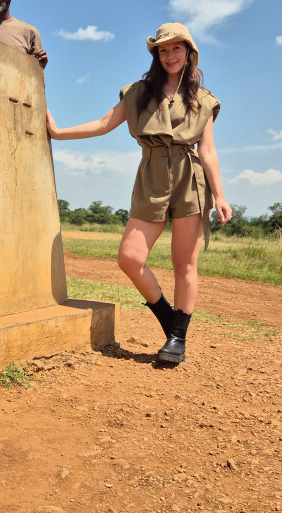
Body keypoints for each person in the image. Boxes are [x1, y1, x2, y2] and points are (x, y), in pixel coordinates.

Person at [47, 22, 232, 365]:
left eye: (176, 48)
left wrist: (220, 195)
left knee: (184, 264)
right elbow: (103, 123)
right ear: (156, 55)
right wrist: (58, 133)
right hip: (150, 175)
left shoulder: (203, 100)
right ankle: (170, 320)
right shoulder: (138, 92)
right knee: (129, 258)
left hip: (189, 177)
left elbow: (207, 150)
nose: (170, 55)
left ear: (189, 52)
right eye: (163, 50)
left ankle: (177, 339)